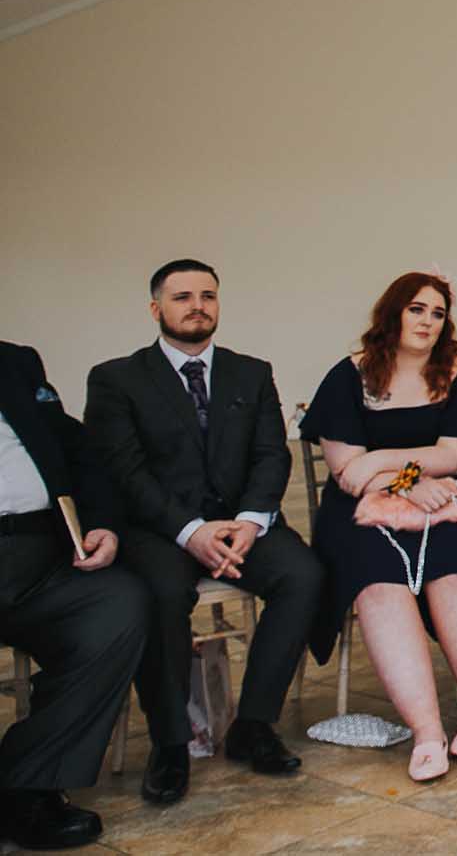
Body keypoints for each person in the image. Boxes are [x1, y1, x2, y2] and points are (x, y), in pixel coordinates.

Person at [84, 259, 321, 807]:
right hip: (160, 531)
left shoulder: (251, 371)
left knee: (303, 576)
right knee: (162, 595)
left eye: (208, 295)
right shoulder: (116, 378)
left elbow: (269, 454)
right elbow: (125, 471)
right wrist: (190, 531)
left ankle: (254, 725)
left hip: (242, 524)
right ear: (155, 309)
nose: (198, 305)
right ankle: (170, 742)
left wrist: (249, 521)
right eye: (183, 296)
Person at [300, 271, 457, 783]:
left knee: (454, 573)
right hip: (363, 510)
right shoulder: (349, 375)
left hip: (451, 498)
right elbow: (348, 473)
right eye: (417, 309)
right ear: (393, 312)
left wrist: (386, 464)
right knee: (380, 586)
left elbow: (455, 454)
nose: (428, 321)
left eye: (437, 313)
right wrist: (408, 482)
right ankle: (428, 731)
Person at [0, 340, 148, 851]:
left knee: (118, 604)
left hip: (39, 554)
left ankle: (27, 784)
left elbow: (77, 450)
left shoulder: (15, 361)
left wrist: (103, 524)